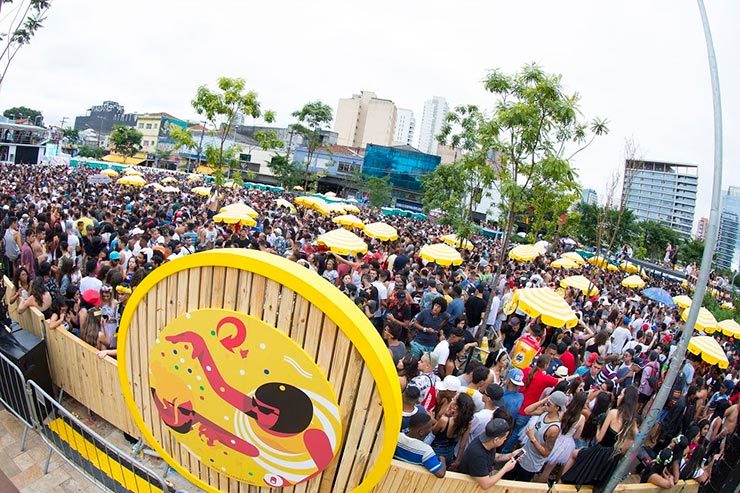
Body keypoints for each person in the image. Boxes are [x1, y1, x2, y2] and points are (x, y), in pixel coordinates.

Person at [561, 386, 639, 488]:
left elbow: (599, 438)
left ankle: (559, 483)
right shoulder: (632, 422)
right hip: (612, 458)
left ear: (626, 398)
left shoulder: (613, 413)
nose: (618, 397)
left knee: (574, 455)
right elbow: (637, 438)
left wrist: (598, 426)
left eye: (621, 394)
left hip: (599, 452)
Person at [506, 391, 567, 481]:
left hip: (531, 463)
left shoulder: (553, 429)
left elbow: (546, 453)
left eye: (549, 404)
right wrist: (544, 401)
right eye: (547, 402)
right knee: (506, 478)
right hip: (522, 454)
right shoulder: (545, 411)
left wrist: (532, 439)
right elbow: (527, 411)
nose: (546, 405)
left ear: (557, 408)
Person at [456, 418, 523, 489]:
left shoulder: (487, 441)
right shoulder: (478, 455)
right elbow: (485, 484)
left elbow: (493, 456)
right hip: (466, 487)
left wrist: (510, 455)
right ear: (496, 439)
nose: (505, 439)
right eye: (505, 437)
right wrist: (505, 469)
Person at [394, 412, 447, 478]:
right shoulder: (425, 450)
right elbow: (440, 473)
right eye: (430, 427)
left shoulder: (396, 437)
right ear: (421, 432)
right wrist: (443, 460)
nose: (431, 429)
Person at [430, 392, 475, 464]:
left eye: (454, 399)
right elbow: (462, 445)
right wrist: (457, 461)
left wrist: (432, 419)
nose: (452, 399)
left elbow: (433, 432)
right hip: (449, 455)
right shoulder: (467, 423)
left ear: (456, 406)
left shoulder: (444, 420)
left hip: (435, 453)